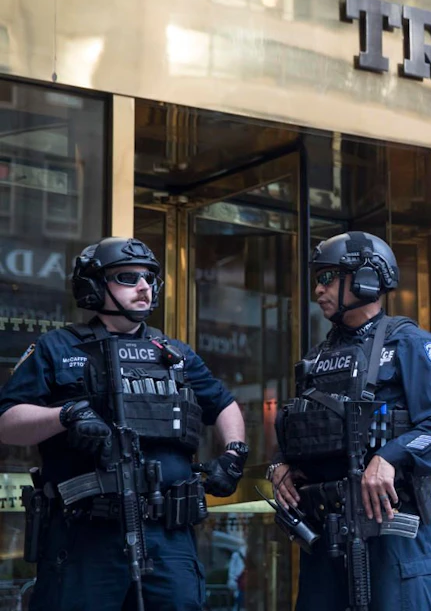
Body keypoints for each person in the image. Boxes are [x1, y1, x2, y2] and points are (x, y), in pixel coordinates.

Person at [0, 237, 248, 610]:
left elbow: (225, 404)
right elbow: (7, 423)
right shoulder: (58, 347)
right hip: (86, 536)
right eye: (128, 277)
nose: (144, 287)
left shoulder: (174, 353)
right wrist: (66, 415)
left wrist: (234, 454)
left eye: (149, 278)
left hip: (168, 537)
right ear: (94, 286)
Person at [268, 230, 431, 610]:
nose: (318, 289)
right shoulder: (315, 359)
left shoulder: (409, 343)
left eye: (328, 277)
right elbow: (302, 430)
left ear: (365, 278)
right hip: (324, 534)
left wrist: (390, 457)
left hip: (388, 529)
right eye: (318, 279)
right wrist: (280, 464)